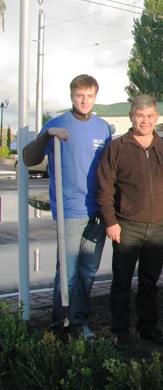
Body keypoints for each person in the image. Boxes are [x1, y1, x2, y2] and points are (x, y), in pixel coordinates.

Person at [22, 74, 112, 341]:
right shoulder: (57, 123)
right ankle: (61, 322)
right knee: (68, 273)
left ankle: (80, 321)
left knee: (87, 272)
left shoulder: (103, 127)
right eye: (79, 95)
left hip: (97, 212)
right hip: (70, 211)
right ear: (72, 96)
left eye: (89, 96)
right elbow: (29, 158)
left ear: (95, 97)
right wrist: (48, 135)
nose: (84, 101)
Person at [96, 95, 163, 351]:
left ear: (156, 117)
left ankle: (147, 327)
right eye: (140, 116)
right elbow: (104, 189)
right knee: (122, 282)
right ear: (131, 116)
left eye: (150, 116)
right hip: (126, 225)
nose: (145, 121)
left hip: (157, 226)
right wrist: (110, 221)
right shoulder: (117, 148)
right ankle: (121, 330)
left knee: (149, 282)